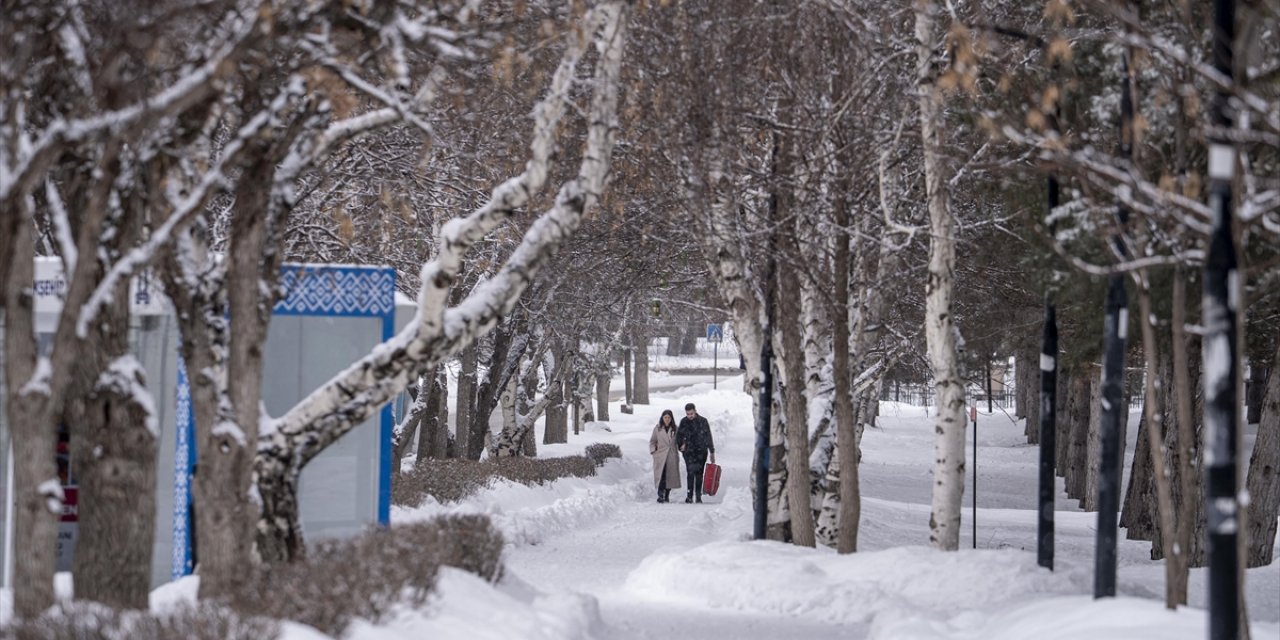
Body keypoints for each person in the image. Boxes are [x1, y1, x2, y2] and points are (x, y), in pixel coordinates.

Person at [676, 402, 715, 503]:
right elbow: (679, 436)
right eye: (688, 414)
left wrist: (712, 451)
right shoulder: (684, 422)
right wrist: (681, 446)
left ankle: (698, 496)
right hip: (689, 451)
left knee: (699, 473)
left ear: (695, 411)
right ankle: (689, 496)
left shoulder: (703, 421)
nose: (690, 416)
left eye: (691, 414)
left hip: (701, 451)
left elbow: (708, 436)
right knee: (690, 472)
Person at [649, 409, 681, 503]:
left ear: (671, 418)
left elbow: (679, 442)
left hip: (671, 455)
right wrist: (653, 450)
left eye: (668, 418)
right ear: (662, 418)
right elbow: (652, 441)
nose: (667, 419)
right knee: (661, 476)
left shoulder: (676, 429)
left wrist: (682, 446)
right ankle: (660, 495)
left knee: (669, 476)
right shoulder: (657, 428)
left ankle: (666, 494)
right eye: (665, 417)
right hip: (660, 455)